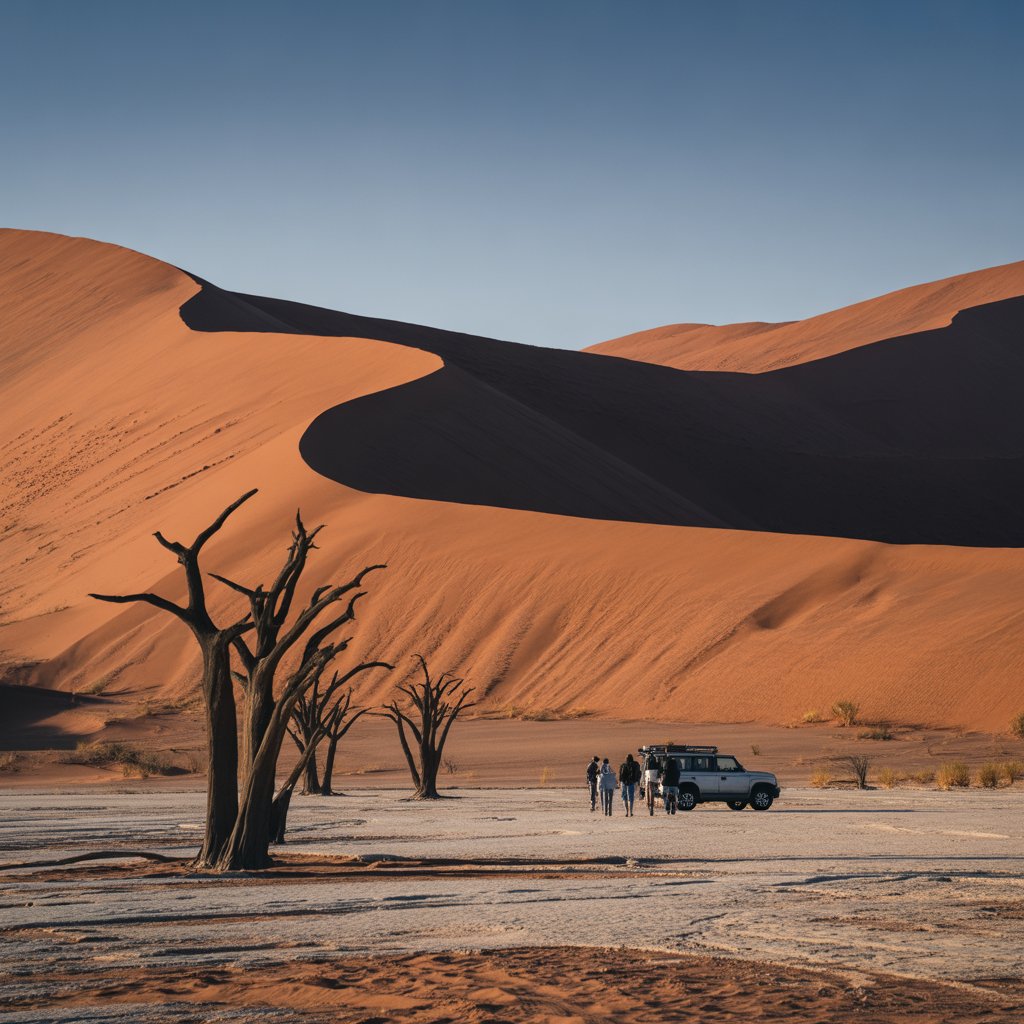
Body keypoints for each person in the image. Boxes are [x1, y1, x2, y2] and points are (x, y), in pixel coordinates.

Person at [643, 751, 661, 815]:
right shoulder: (656, 760)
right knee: (652, 790)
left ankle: (650, 805)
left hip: (649, 775)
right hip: (654, 776)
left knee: (649, 790)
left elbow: (644, 769)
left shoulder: (648, 760)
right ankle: (651, 806)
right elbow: (659, 768)